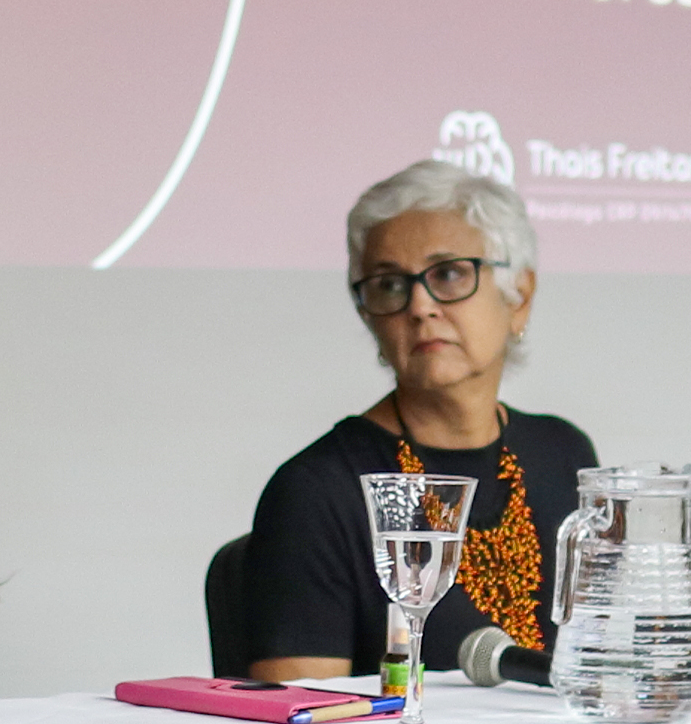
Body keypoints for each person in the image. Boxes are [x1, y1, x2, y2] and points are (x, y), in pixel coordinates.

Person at [243, 160, 599, 683]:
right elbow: (301, 722)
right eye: (389, 285)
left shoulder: (563, 455)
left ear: (518, 297)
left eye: (449, 273)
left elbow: (609, 665)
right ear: (368, 317)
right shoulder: (317, 490)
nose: (419, 306)